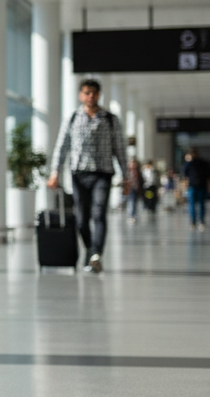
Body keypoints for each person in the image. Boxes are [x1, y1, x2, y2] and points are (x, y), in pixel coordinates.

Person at [47, 78, 127, 272]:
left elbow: (120, 148)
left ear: (99, 95)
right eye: (87, 92)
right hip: (78, 173)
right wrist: (54, 172)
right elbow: (61, 147)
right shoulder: (72, 118)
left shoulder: (110, 119)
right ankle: (90, 251)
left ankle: (96, 254)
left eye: (94, 93)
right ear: (80, 95)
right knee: (81, 218)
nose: (91, 96)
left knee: (99, 213)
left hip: (103, 173)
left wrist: (126, 176)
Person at [183, 148, 210, 231]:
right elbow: (184, 174)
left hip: (201, 186)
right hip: (192, 186)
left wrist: (209, 184)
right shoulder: (189, 164)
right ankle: (193, 222)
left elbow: (208, 175)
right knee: (191, 205)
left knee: (201, 205)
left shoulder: (203, 163)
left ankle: (201, 221)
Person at [124, 156, 142, 223]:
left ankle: (134, 214)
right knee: (131, 202)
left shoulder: (138, 172)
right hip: (129, 189)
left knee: (135, 202)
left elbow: (140, 180)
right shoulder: (127, 172)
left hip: (136, 189)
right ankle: (131, 215)